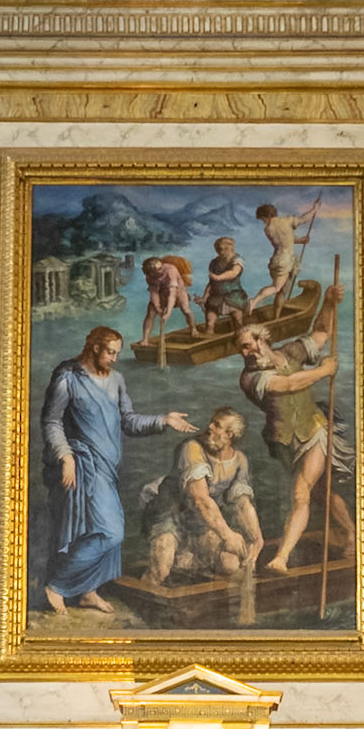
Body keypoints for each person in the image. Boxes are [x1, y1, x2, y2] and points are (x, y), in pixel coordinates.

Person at [38, 325, 194, 614]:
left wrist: (163, 420)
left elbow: (129, 421)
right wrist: (65, 456)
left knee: (99, 531)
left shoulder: (117, 380)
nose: (114, 359)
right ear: (95, 347)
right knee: (111, 532)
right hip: (84, 465)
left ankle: (88, 591)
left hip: (108, 468)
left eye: (117, 353)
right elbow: (51, 422)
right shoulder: (68, 378)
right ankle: (57, 585)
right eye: (110, 352)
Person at [236, 291, 355, 574]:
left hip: (313, 431)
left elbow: (321, 332)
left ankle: (282, 557)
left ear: (262, 340)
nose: (246, 353)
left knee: (301, 493)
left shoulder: (290, 352)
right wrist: (323, 371)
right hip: (284, 441)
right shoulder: (250, 378)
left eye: (248, 345)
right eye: (241, 349)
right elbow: (288, 385)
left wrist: (328, 302)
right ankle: (352, 534)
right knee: (320, 491)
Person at [141, 409, 263, 585]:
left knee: (230, 564)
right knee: (161, 570)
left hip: (200, 522)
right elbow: (201, 500)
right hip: (169, 516)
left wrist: (256, 538)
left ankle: (188, 560)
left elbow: (243, 503)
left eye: (217, 425)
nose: (210, 427)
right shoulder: (192, 448)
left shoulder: (240, 460)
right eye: (211, 422)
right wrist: (228, 535)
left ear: (229, 434)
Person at [246, 203, 299, 313]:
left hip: (276, 261)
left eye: (263, 219)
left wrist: (302, 240)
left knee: (280, 290)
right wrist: (315, 208)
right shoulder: (283, 223)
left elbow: (287, 240)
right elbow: (304, 219)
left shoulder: (268, 229)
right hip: (285, 261)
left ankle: (276, 315)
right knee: (277, 288)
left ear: (268, 216)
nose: (263, 221)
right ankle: (254, 301)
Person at [137, 256, 196, 347]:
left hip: (178, 292)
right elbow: (154, 293)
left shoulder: (170, 270)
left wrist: (168, 312)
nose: (159, 271)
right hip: (162, 294)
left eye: (160, 268)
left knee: (186, 309)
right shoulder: (149, 276)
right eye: (156, 270)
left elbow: (172, 294)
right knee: (151, 312)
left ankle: (193, 328)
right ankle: (145, 339)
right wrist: (158, 308)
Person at [195, 236, 248, 335]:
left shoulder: (238, 260)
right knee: (210, 322)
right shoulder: (214, 262)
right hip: (216, 297)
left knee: (238, 321)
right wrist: (204, 297)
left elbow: (234, 273)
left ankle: (241, 334)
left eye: (225, 249)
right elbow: (211, 283)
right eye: (219, 249)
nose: (222, 252)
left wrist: (218, 277)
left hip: (233, 296)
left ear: (231, 248)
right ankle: (209, 334)